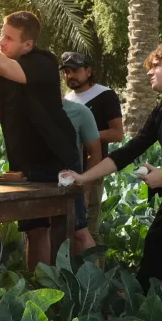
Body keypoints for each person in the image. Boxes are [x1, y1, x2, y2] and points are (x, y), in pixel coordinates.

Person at [61, 43, 162, 296]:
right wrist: (83, 176)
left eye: (156, 65)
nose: (149, 72)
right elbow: (128, 151)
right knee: (149, 278)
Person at [0, 11, 79, 269]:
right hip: (23, 164)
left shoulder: (42, 62)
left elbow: (4, 67)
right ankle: (38, 287)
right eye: (1, 35)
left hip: (58, 160)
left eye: (9, 38)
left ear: (28, 45)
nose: (1, 42)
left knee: (76, 230)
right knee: (34, 230)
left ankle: (89, 295)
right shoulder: (0, 59)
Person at [61, 52, 124, 243]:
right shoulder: (67, 99)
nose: (70, 75)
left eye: (75, 70)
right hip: (68, 170)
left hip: (93, 168)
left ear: (88, 71)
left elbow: (117, 133)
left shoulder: (105, 95)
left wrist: (84, 136)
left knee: (88, 228)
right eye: (66, 71)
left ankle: (96, 272)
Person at [61, 96, 100, 255]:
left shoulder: (80, 112)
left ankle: (94, 279)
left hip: (72, 185)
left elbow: (95, 153)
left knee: (79, 233)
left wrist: (85, 190)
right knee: (37, 233)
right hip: (38, 186)